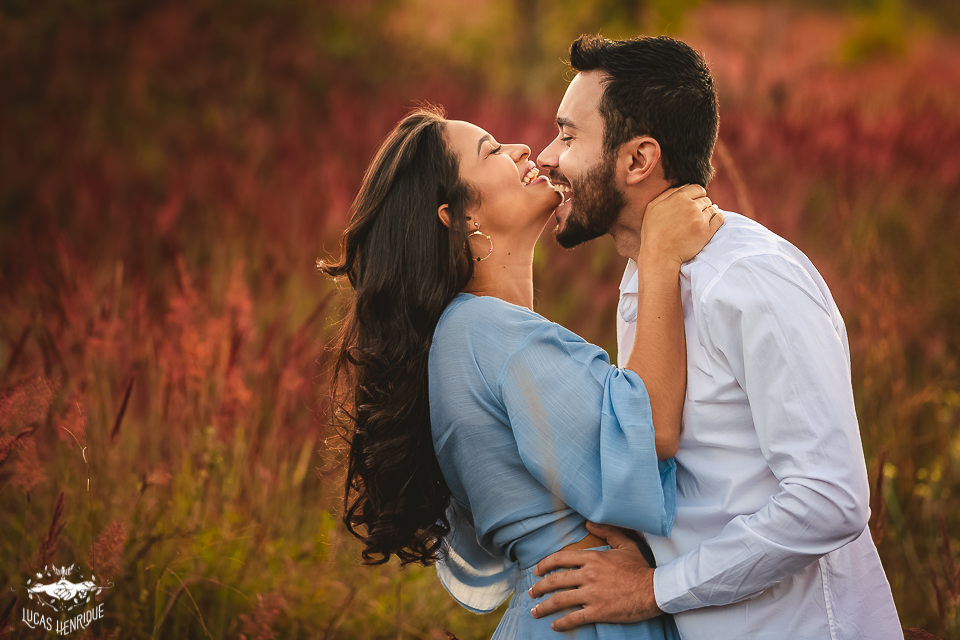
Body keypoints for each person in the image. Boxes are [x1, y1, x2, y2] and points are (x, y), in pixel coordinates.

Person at [528, 34, 903, 639]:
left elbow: (830, 499)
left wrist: (654, 589)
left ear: (637, 160)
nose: (547, 157)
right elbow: (693, 475)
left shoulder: (750, 279)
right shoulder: (649, 275)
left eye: (569, 136)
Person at [320, 105, 723, 638]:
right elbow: (651, 430)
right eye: (492, 151)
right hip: (585, 615)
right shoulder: (484, 331)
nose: (523, 150)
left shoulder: (468, 333)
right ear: (459, 216)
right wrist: (660, 256)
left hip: (570, 607)